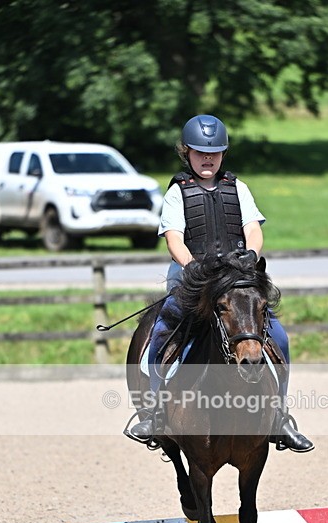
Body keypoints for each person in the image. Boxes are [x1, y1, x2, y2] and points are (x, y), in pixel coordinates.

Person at [129, 114, 314, 453]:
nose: (208, 159)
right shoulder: (176, 193)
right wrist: (193, 267)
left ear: (223, 154)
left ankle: (279, 416)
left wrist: (251, 255)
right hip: (192, 282)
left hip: (237, 280)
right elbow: (174, 240)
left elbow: (253, 229)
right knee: (158, 335)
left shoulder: (237, 188)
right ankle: (156, 412)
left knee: (281, 338)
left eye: (214, 153)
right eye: (200, 153)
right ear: (187, 153)